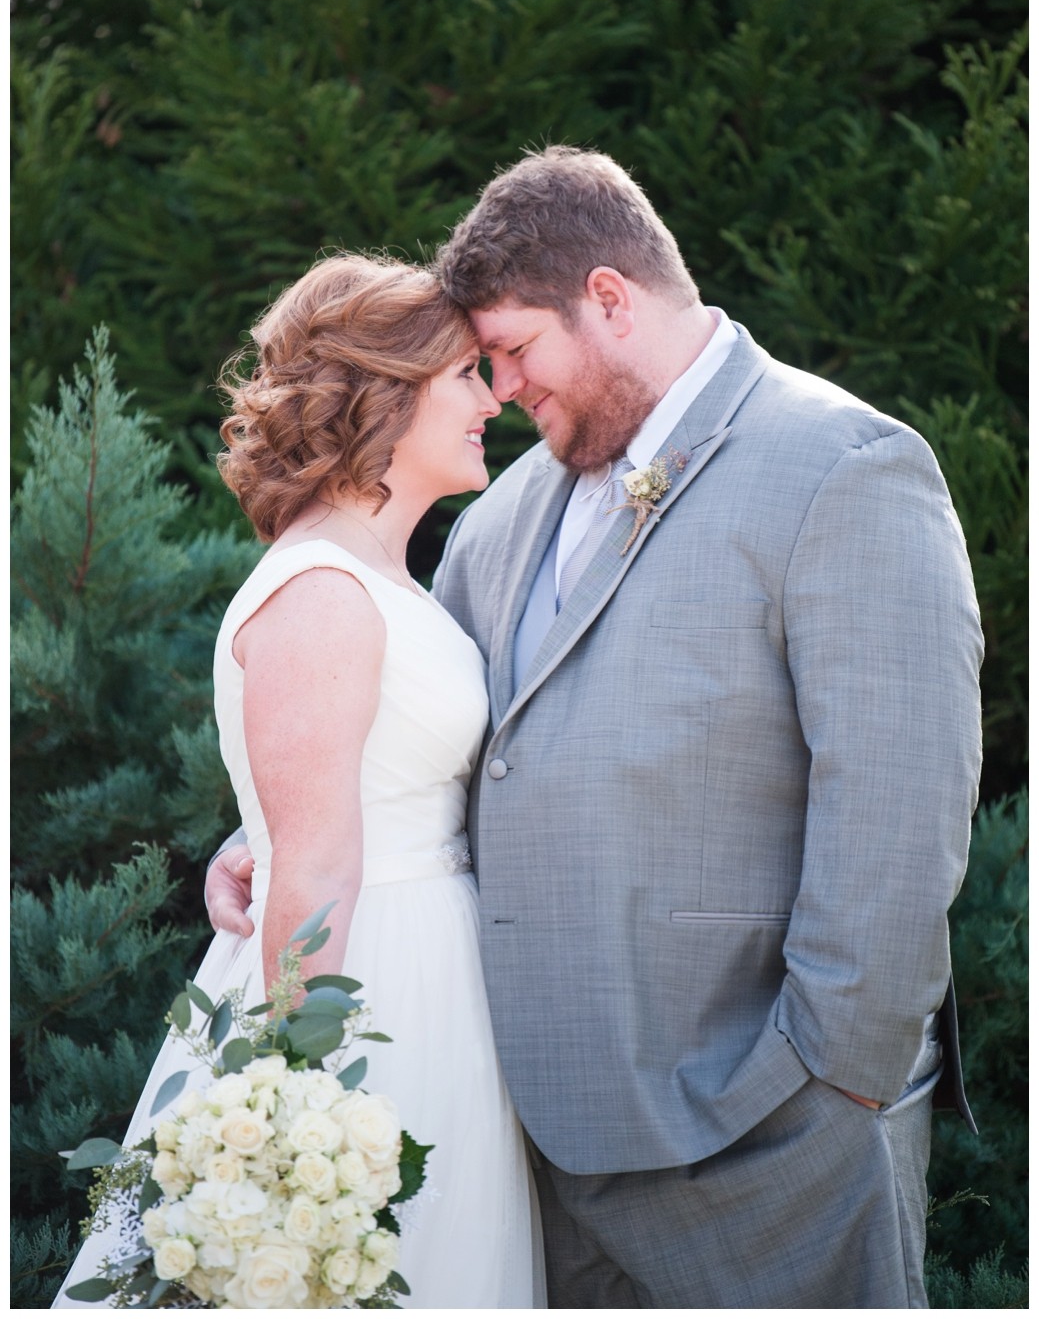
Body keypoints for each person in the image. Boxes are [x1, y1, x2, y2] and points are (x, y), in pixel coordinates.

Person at [208, 148, 983, 1308]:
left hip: (769, 1145)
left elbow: (899, 812)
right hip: (523, 1147)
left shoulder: (843, 468)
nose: (501, 386)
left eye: (513, 348)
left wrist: (830, 1082)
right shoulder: (501, 518)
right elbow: (425, 751)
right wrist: (263, 838)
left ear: (609, 300)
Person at [55, 254, 543, 1310]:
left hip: (432, 971)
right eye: (465, 373)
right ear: (387, 392)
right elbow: (316, 858)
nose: (491, 398)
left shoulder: (378, 574)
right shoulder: (322, 589)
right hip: (370, 994)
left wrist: (247, 840)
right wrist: (297, 1107)